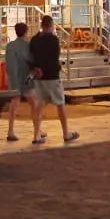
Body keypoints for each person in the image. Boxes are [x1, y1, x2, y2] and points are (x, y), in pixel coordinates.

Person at [27, 15, 79, 144]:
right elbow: (54, 57)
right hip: (52, 76)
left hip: (38, 77)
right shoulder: (54, 40)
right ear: (51, 26)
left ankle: (36, 135)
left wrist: (35, 68)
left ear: (41, 25)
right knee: (60, 105)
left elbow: (30, 57)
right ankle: (66, 133)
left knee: (39, 106)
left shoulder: (34, 40)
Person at [3, 20, 33, 141]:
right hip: (26, 79)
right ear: (26, 32)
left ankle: (10, 130)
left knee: (14, 105)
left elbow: (8, 65)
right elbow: (31, 61)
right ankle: (38, 129)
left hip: (14, 79)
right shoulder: (28, 46)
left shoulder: (10, 46)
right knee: (34, 105)